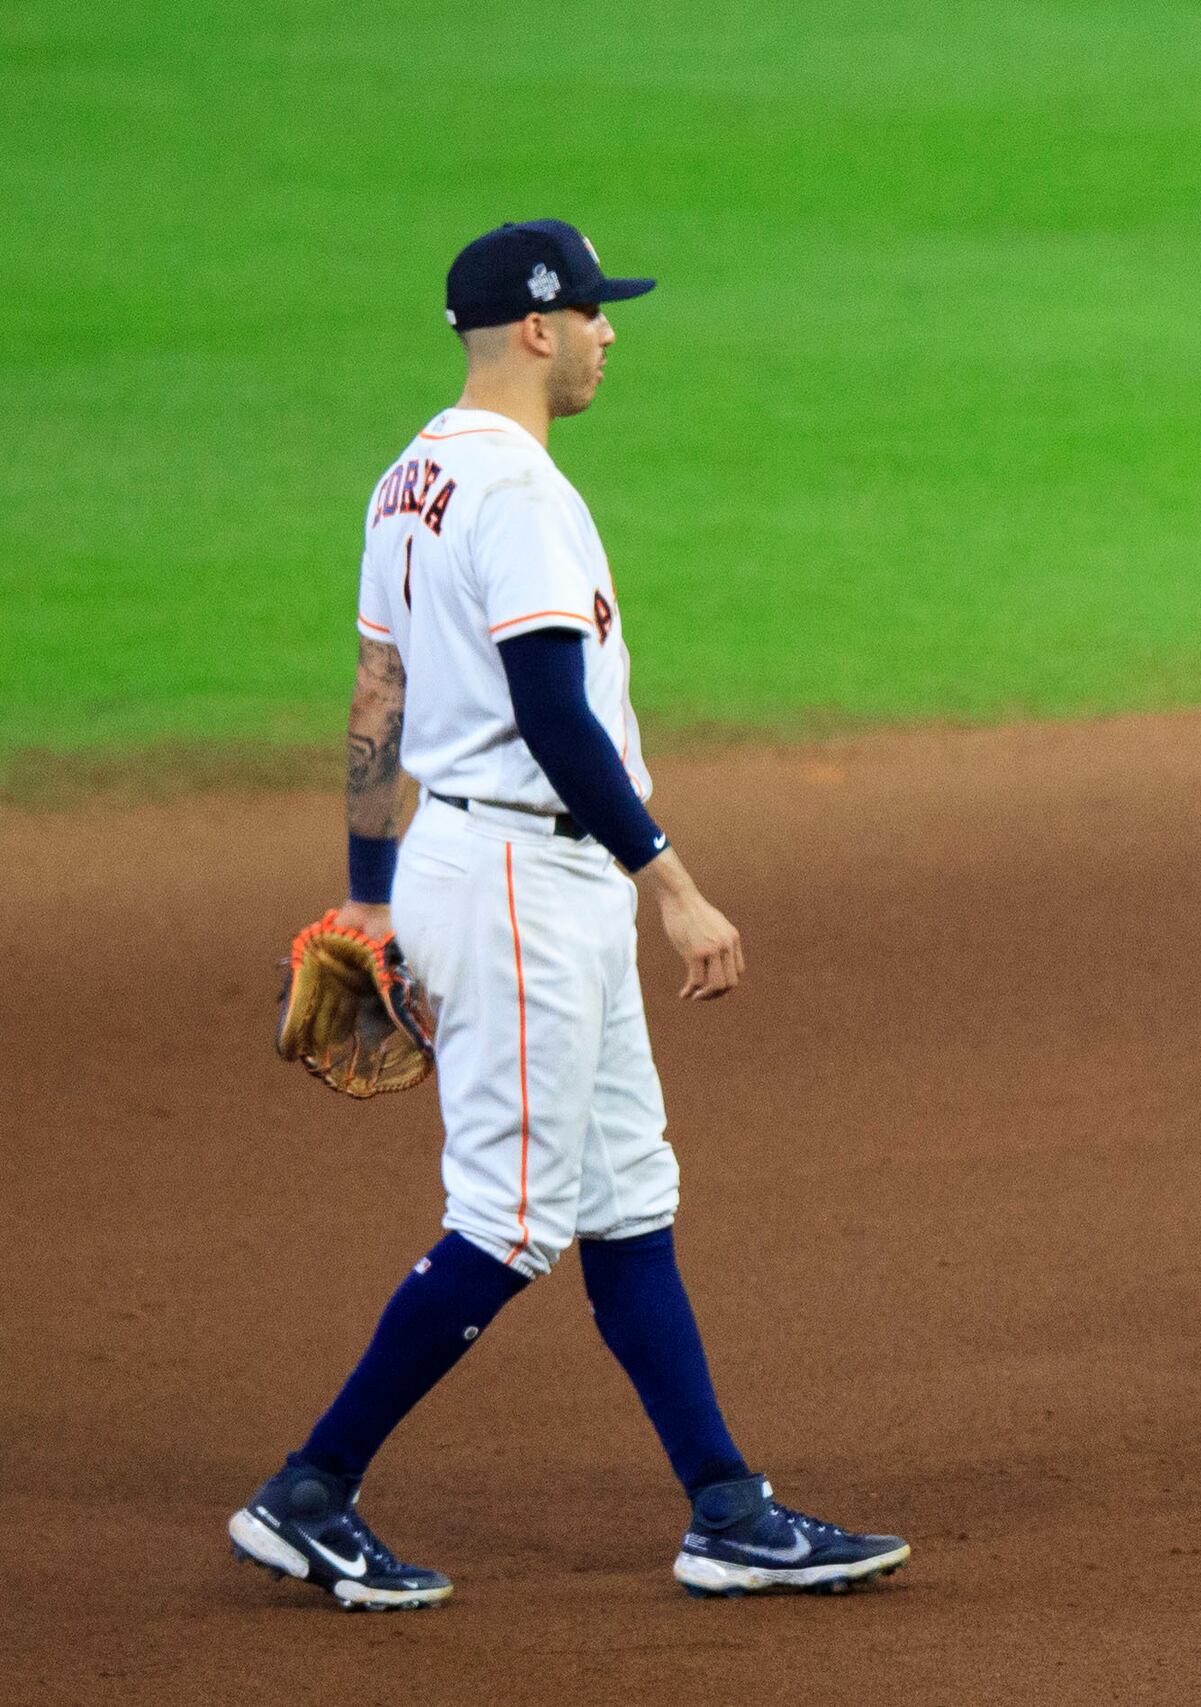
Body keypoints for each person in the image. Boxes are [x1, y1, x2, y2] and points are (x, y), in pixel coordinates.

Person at [227, 220, 907, 1606]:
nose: (612, 334)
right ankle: (309, 1489)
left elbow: (376, 699)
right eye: (597, 312)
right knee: (515, 1218)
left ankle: (725, 1507)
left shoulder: (406, 477)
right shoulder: (523, 495)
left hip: (474, 866)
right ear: (537, 328)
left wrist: (370, 895)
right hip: (531, 876)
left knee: (624, 1198)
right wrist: (676, 885)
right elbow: (549, 708)